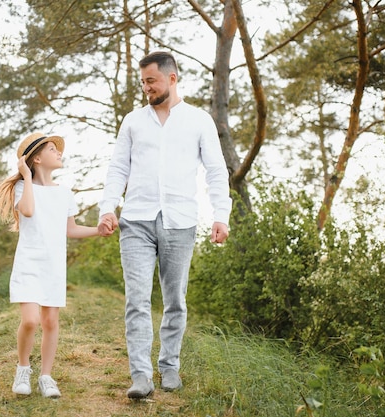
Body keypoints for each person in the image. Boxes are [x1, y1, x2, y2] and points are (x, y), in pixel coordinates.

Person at [97, 51, 232, 399]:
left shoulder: (199, 120)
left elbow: (216, 170)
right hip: (136, 221)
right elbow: (117, 169)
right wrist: (107, 207)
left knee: (175, 301)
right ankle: (140, 376)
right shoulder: (132, 121)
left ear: (172, 79)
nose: (146, 87)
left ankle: (169, 366)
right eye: (142, 82)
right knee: (137, 300)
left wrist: (221, 215)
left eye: (151, 81)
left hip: (180, 222)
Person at [0, 132, 107, 398]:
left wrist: (98, 230)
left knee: (50, 321)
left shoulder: (65, 193)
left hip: (53, 265)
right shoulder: (22, 188)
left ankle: (46, 377)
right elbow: (27, 211)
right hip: (29, 262)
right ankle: (23, 368)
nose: (59, 153)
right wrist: (27, 177)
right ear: (37, 158)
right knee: (30, 321)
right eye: (53, 149)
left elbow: (70, 229)